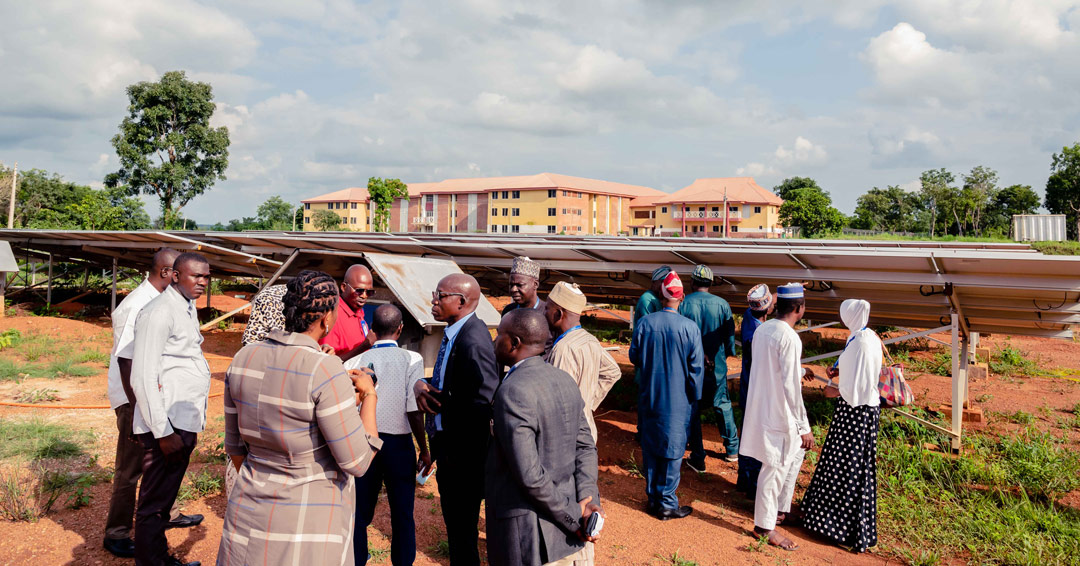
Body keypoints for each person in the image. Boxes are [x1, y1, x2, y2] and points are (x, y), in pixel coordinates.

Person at [217, 270, 381, 566]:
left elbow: (235, 448)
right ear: (326, 318)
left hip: (248, 513)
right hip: (306, 523)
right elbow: (357, 462)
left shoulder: (243, 358)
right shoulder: (325, 370)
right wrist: (369, 396)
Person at [103, 248, 202, 558]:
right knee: (131, 470)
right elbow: (127, 362)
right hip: (135, 400)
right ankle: (117, 533)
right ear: (167, 273)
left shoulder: (176, 304)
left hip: (157, 400)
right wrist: (138, 412)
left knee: (158, 470)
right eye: (184, 273)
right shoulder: (137, 307)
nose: (200, 281)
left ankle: (163, 519)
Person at [486, 309, 603, 566]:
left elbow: (529, 475)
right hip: (570, 534)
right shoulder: (564, 380)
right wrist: (588, 502)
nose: (494, 340)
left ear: (514, 343)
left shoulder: (513, 391)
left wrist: (575, 514)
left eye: (499, 335)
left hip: (530, 537)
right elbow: (585, 446)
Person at [130, 252, 213, 566]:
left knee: (163, 500)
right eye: (195, 276)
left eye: (206, 276)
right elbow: (142, 375)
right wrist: (163, 433)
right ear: (175, 276)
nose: (202, 282)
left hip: (182, 420)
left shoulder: (185, 307)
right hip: (167, 424)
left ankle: (159, 558)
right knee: (153, 502)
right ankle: (151, 562)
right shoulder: (159, 312)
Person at [413, 274, 500, 566]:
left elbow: (483, 399)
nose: (434, 300)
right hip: (452, 451)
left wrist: (443, 408)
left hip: (464, 458)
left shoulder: (473, 339)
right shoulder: (456, 331)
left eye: (440, 295)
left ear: (460, 302)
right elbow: (455, 385)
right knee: (458, 532)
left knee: (463, 534)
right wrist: (423, 386)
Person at [346, 304, 429, 566]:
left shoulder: (353, 362)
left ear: (372, 330)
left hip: (364, 444)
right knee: (402, 512)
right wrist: (424, 449)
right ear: (401, 329)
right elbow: (414, 411)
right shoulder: (412, 359)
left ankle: (358, 560)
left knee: (359, 513)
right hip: (399, 444)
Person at [741, 283, 818, 551]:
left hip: (765, 407)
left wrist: (799, 369)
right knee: (773, 468)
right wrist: (803, 426)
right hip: (779, 413)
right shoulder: (789, 338)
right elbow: (789, 386)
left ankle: (781, 511)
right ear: (799, 309)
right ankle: (764, 526)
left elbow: (776, 368)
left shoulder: (764, 330)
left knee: (793, 457)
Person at [801, 299, 882, 553]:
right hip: (867, 413)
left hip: (853, 414)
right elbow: (862, 374)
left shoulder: (858, 343)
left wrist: (833, 390)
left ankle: (835, 525)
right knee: (858, 468)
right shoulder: (868, 337)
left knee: (843, 467)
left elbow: (853, 389)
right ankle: (852, 526)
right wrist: (839, 374)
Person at [629, 271, 703, 520]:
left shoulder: (645, 324)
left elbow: (634, 357)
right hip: (678, 398)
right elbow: (696, 369)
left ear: (661, 295)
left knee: (650, 445)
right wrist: (694, 395)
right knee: (673, 448)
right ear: (681, 298)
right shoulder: (690, 328)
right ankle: (668, 503)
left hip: (649, 394)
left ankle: (652, 499)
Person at [543, 282, 622, 443]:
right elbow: (613, 371)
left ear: (558, 313)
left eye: (547, 308)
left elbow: (558, 403)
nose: (543, 313)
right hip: (587, 432)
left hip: (568, 437)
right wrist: (589, 403)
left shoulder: (564, 348)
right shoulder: (590, 340)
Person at [679, 264, 738, 471]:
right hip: (717, 365)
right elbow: (729, 338)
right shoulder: (722, 304)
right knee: (721, 403)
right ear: (711, 283)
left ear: (692, 282)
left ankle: (697, 455)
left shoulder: (683, 303)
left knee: (692, 406)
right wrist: (726, 353)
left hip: (689, 365)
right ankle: (732, 449)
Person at [736, 284, 774, 497]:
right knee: (755, 437)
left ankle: (744, 479)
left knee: (748, 434)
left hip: (748, 389)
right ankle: (750, 483)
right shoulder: (759, 334)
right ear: (768, 309)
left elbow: (765, 304)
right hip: (757, 392)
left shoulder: (749, 316)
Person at [321, 264, 377, 359]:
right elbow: (327, 361)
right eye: (359, 291)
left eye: (369, 292)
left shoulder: (358, 311)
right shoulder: (333, 316)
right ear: (343, 287)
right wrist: (365, 345)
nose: (364, 296)